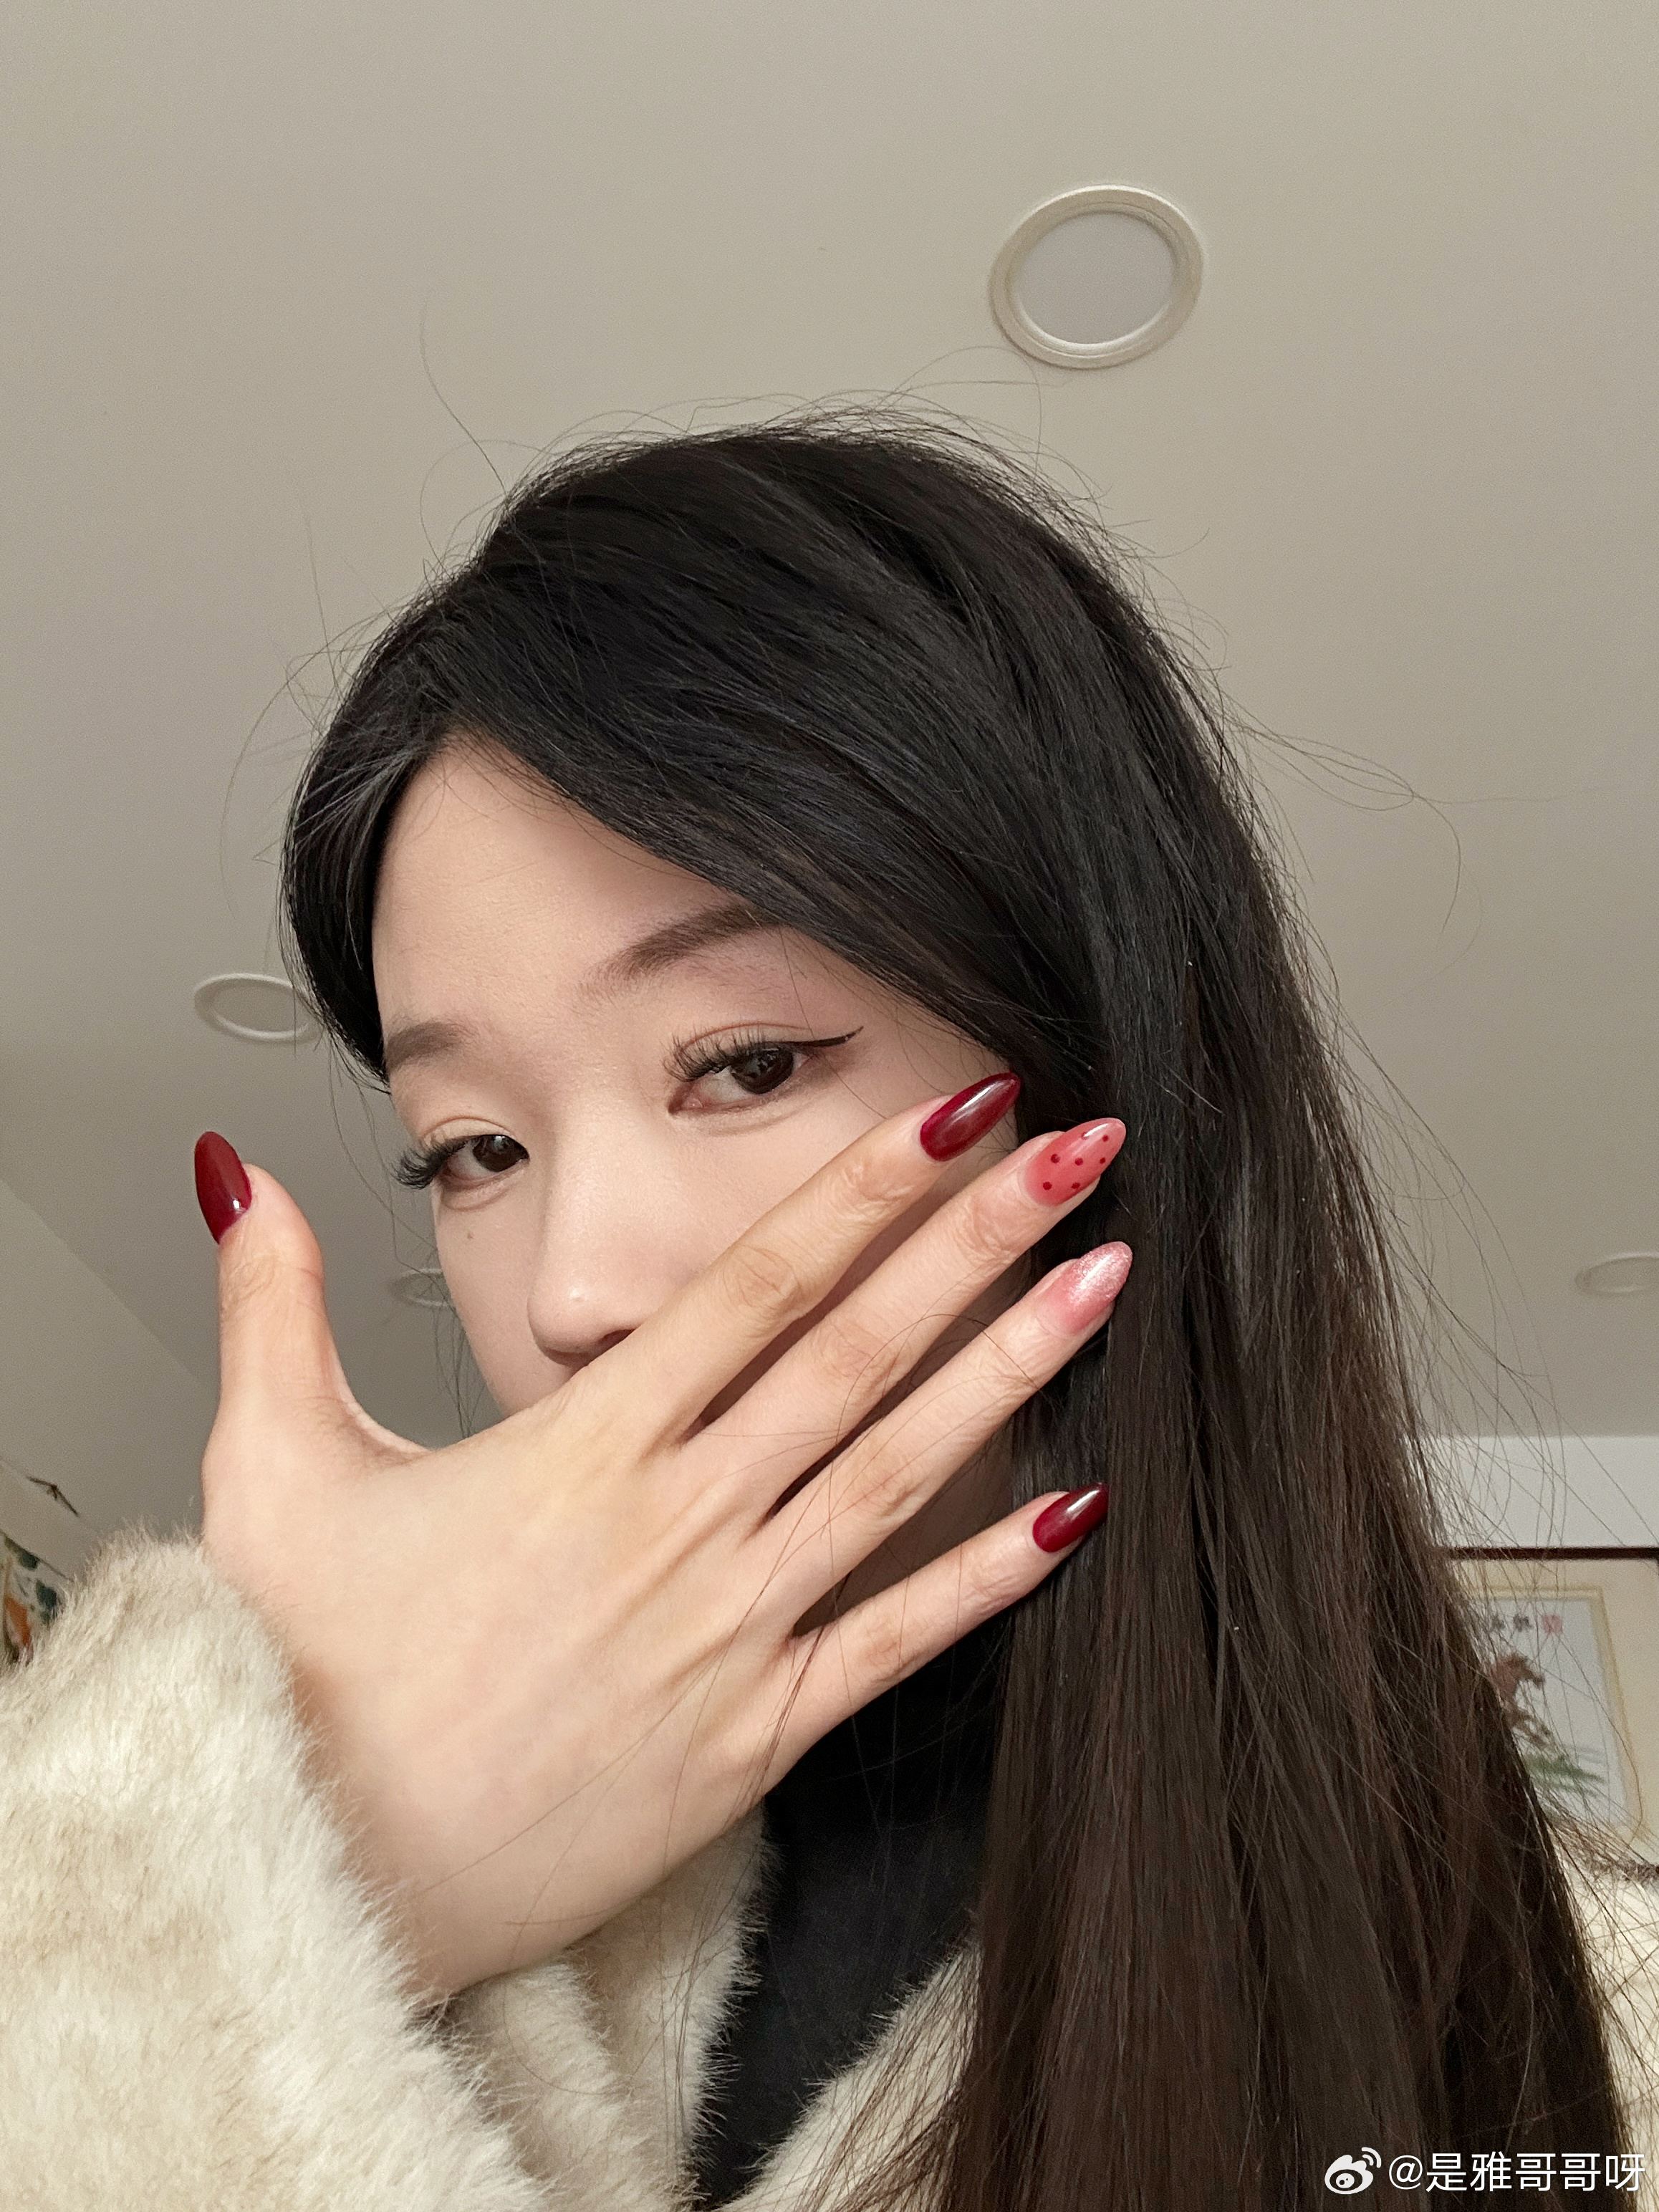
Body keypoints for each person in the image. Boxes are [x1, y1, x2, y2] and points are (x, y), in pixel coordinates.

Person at [3, 420, 1655, 2210]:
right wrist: (312, 1864)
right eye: (473, 1147)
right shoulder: (153, 1867)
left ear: (1108, 1078)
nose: (571, 1290)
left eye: (746, 1061)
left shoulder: (1594, 2056)